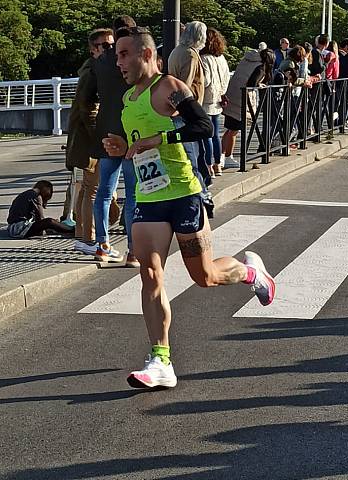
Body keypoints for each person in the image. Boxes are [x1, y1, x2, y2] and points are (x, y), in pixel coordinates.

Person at [103, 26, 276, 389]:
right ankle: (160, 360)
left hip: (183, 193)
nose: (118, 61)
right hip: (149, 198)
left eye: (123, 54)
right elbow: (140, 143)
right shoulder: (128, 98)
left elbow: (202, 126)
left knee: (205, 276)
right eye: (117, 55)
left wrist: (159, 138)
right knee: (150, 275)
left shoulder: (168, 88)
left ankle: (251, 274)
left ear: (146, 54)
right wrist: (124, 146)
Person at [65, 28, 119, 255]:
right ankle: (89, 239)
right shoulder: (93, 71)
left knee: (88, 188)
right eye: (104, 46)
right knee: (93, 190)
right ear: (92, 48)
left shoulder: (91, 68)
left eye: (111, 45)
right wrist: (101, 135)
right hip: (91, 140)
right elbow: (89, 107)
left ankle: (81, 235)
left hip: (86, 139)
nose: (109, 49)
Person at [91, 15, 139, 266]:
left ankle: (102, 244)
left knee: (104, 193)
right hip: (132, 134)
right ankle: (132, 250)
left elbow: (90, 97)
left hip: (107, 133)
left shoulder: (101, 62)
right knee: (132, 195)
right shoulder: (135, 59)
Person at [168, 21, 210, 186]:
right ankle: (199, 188)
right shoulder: (190, 55)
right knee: (193, 153)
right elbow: (185, 85)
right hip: (187, 110)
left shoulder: (177, 51)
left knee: (191, 151)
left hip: (178, 109)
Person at [221, 48, 275, 168]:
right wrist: (259, 85)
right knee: (234, 131)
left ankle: (221, 156)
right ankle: (228, 157)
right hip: (241, 99)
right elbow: (251, 83)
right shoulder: (261, 67)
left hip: (231, 95)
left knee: (229, 129)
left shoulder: (247, 59)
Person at [200, 27, 230, 177]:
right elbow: (226, 78)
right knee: (215, 134)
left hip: (205, 100)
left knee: (206, 136)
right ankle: (218, 164)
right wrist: (222, 92)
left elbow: (205, 81)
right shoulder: (222, 58)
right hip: (218, 98)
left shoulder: (204, 59)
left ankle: (208, 165)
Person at [7, 181, 75, 238]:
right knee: (50, 221)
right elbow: (40, 218)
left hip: (12, 228)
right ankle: (73, 230)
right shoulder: (36, 196)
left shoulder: (26, 194)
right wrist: (49, 226)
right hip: (19, 229)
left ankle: (66, 228)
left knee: (52, 223)